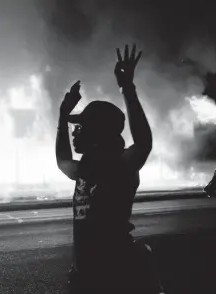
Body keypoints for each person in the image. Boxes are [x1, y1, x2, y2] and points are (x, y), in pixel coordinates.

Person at [56, 44, 163, 293]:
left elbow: (144, 142)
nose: (75, 131)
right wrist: (62, 115)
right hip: (86, 277)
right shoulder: (85, 167)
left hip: (117, 277)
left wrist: (127, 88)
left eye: (81, 126)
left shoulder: (121, 164)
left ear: (98, 131)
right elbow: (62, 161)